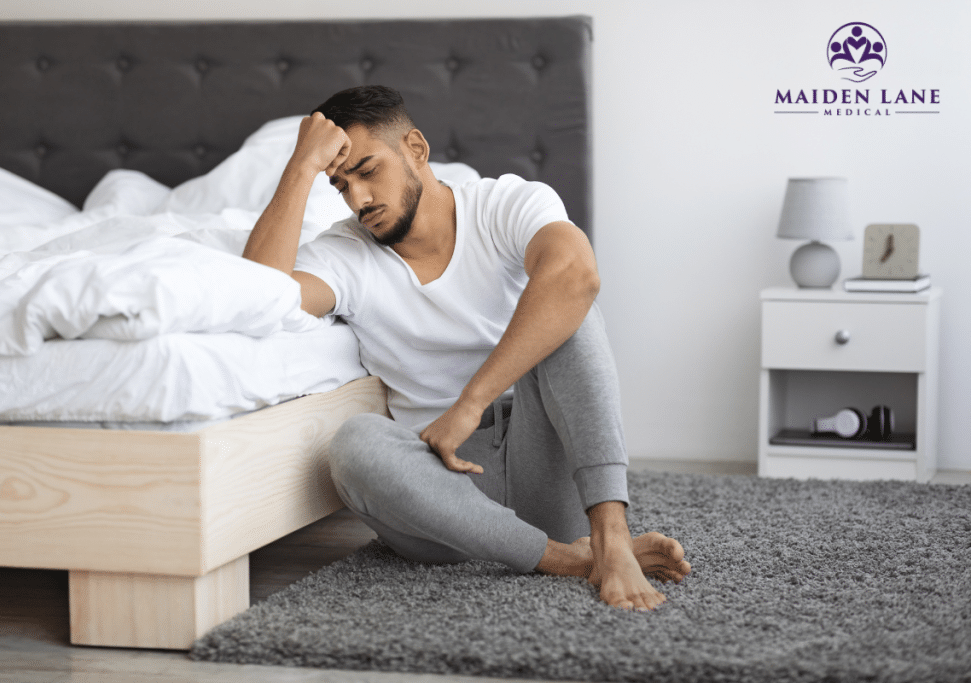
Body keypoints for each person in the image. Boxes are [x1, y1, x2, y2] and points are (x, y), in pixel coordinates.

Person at [242, 85, 691, 611]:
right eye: (341, 185)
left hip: (539, 461)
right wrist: (300, 166)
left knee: (572, 307)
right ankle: (572, 560)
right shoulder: (345, 253)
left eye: (367, 171)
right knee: (353, 445)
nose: (359, 199)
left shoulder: (504, 204)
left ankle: (610, 536)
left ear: (416, 148)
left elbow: (576, 272)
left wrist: (471, 403)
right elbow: (256, 296)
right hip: (439, 503)